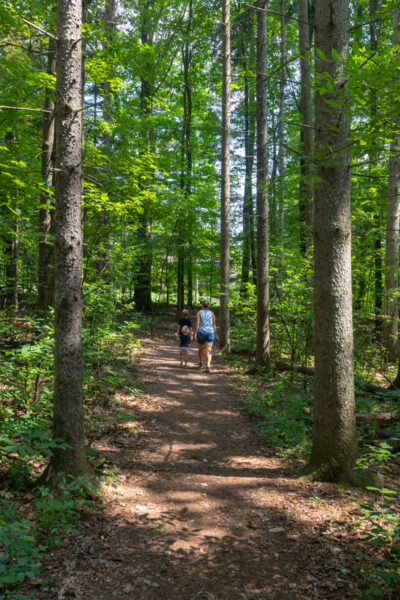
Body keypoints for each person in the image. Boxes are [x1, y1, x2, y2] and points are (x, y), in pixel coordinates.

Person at [194, 300, 218, 373]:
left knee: (201, 348)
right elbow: (214, 324)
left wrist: (195, 333)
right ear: (208, 306)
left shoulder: (199, 312)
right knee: (208, 350)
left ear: (202, 305)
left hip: (201, 332)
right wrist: (215, 334)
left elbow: (197, 323)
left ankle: (200, 362)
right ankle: (208, 365)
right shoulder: (212, 313)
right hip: (210, 332)